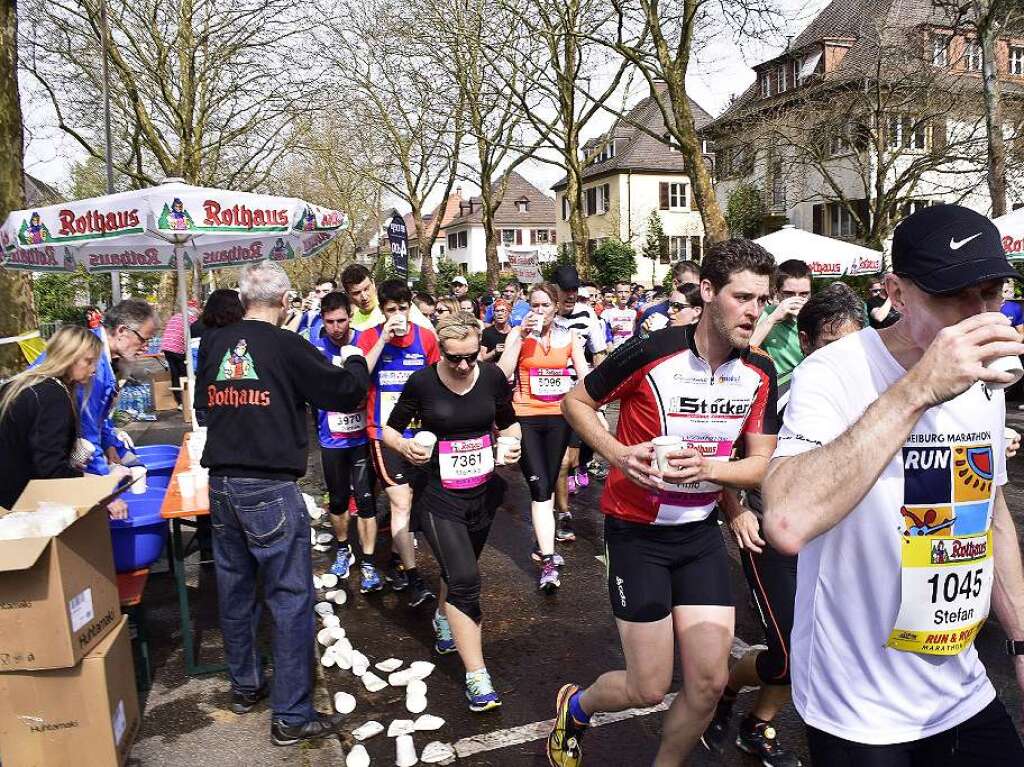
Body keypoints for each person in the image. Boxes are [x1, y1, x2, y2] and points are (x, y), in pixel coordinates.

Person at [763, 205, 1024, 766]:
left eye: (992, 292)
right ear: (896, 294)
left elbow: (990, 510)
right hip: (858, 704)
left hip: (959, 685)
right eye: (957, 294)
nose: (981, 314)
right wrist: (917, 389)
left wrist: (1021, 640)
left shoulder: (987, 381)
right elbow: (785, 521)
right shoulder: (833, 370)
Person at [548, 239, 779, 767]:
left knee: (708, 681)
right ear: (707, 291)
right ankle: (577, 708)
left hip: (698, 536)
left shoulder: (759, 371)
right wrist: (617, 454)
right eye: (742, 297)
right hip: (637, 535)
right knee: (647, 687)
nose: (753, 311)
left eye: (761, 301)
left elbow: (762, 463)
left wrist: (714, 474)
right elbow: (575, 402)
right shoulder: (654, 350)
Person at [195, 260, 369, 747]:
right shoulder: (289, 346)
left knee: (235, 590)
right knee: (290, 598)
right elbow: (345, 394)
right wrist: (354, 357)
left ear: (245, 299)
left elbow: (205, 406)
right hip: (268, 485)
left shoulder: (212, 343)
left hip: (223, 483)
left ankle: (245, 686)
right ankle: (291, 714)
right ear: (286, 302)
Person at [702, 282, 865, 767]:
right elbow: (722, 452)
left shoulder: (876, 392)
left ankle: (758, 724)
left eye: (855, 346)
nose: (846, 359)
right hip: (772, 536)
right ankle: (729, 691)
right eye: (833, 347)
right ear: (808, 344)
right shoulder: (779, 391)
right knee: (792, 655)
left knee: (824, 650)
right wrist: (737, 510)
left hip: (838, 538)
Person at [382, 312, 521, 712]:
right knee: (465, 581)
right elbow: (388, 429)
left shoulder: (492, 378)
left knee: (454, 570)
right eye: (453, 357)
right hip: (438, 495)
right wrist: (405, 447)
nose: (462, 365)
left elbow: (509, 424)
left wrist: (512, 445)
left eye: (470, 357)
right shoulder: (422, 382)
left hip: (482, 493)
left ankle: (445, 618)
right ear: (440, 348)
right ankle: (478, 677)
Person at [498, 282, 588, 592]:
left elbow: (584, 378)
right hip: (526, 417)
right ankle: (549, 561)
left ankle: (543, 541)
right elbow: (501, 374)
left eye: (544, 306)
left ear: (556, 306)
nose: (538, 312)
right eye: (534, 306)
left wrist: (592, 413)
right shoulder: (518, 334)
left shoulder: (569, 336)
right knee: (538, 488)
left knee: (548, 484)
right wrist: (520, 337)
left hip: (559, 419)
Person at [357, 279, 441, 607]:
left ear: (411, 308)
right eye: (390, 310)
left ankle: (394, 560)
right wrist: (382, 339)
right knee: (401, 501)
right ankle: (414, 577)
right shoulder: (368, 337)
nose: (397, 315)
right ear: (381, 310)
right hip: (383, 433)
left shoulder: (426, 338)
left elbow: (437, 381)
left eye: (402, 309)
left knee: (414, 504)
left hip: (417, 432)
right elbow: (359, 375)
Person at [0, 326, 128, 516]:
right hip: (19, 504)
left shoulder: (21, 385)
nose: (94, 369)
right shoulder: (53, 396)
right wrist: (99, 489)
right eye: (89, 361)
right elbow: (51, 469)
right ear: (69, 357)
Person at [33, 299, 159, 476]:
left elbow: (99, 417)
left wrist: (110, 444)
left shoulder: (101, 354)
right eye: (143, 340)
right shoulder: (92, 362)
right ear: (122, 331)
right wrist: (102, 487)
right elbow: (87, 430)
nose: (145, 348)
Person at [311, 292, 382, 594]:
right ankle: (343, 548)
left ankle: (367, 560)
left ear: (350, 317)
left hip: (361, 437)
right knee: (338, 499)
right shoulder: (315, 348)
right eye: (330, 322)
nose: (337, 327)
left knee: (366, 501)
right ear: (323, 321)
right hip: (331, 439)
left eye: (341, 320)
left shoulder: (366, 341)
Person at [551, 265, 607, 533]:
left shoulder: (587, 316)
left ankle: (582, 463)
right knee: (562, 461)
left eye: (574, 290)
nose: (571, 295)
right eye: (566, 291)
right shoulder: (543, 316)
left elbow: (598, 353)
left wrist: (604, 391)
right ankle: (563, 514)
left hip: (580, 392)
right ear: (556, 291)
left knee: (574, 457)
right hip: (549, 395)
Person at [749, 259, 811, 389]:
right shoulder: (764, 315)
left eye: (804, 294)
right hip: (778, 391)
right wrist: (773, 319)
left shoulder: (819, 318)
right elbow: (743, 352)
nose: (797, 299)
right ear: (777, 292)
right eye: (789, 294)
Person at [342, 264, 433, 331]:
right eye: (356, 293)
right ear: (348, 294)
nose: (364, 297)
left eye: (366, 289)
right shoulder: (349, 320)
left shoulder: (398, 305)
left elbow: (431, 334)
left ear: (373, 283)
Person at [637, 259, 701, 331]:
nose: (696, 290)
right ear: (675, 284)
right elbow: (636, 340)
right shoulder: (654, 313)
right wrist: (644, 335)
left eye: (699, 286)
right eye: (689, 286)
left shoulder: (706, 312)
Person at [160, 300, 200, 408]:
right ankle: (189, 400)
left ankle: (179, 402)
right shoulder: (192, 320)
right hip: (178, 348)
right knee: (187, 373)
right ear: (195, 311)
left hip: (167, 347)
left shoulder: (176, 316)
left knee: (175, 374)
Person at [602, 281, 639, 349]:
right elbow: (600, 334)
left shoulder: (634, 313)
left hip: (630, 350)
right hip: (613, 351)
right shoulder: (606, 313)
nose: (623, 295)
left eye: (626, 292)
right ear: (615, 294)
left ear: (630, 294)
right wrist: (611, 331)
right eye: (620, 292)